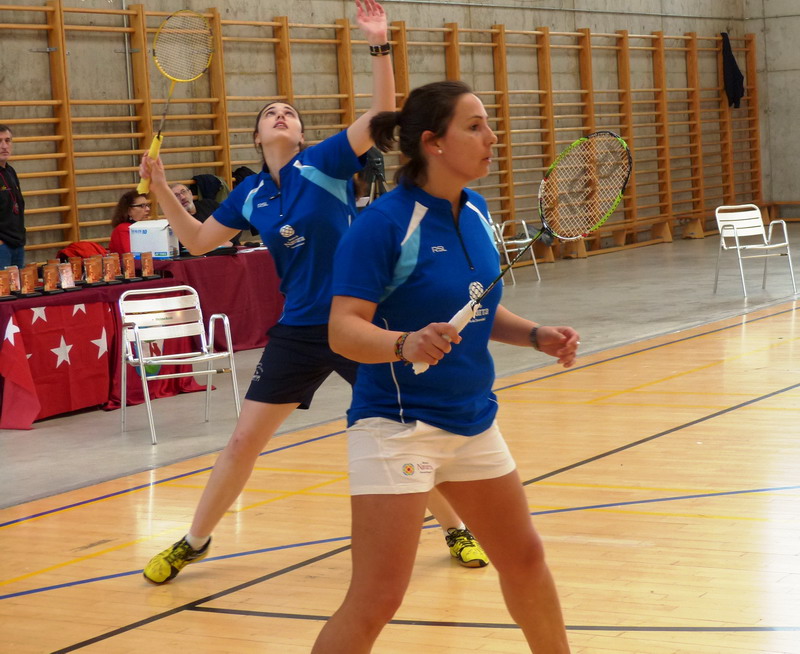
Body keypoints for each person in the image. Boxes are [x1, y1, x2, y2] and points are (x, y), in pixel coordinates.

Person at [138, 0, 487, 586]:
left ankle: (456, 529)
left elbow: (383, 112)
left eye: (289, 113)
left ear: (300, 134)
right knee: (244, 440)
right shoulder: (252, 195)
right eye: (270, 113)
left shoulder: (323, 164)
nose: (280, 116)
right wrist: (160, 189)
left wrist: (378, 43)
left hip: (360, 324)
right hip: (300, 329)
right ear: (256, 135)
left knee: (405, 433)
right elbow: (196, 241)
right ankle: (193, 541)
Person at [311, 80, 578, 653]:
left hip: (472, 420)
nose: (492, 137)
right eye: (475, 126)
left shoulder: (475, 210)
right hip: (399, 427)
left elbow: (476, 305)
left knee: (525, 559)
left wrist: (533, 334)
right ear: (433, 142)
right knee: (377, 596)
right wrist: (404, 343)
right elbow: (343, 329)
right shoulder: (383, 225)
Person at [171, 182, 240, 246]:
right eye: (176, 195)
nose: (182, 197)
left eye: (183, 192)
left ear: (190, 193)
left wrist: (230, 241)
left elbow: (234, 220)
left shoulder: (209, 204)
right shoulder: (176, 223)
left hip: (232, 248)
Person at [0, 125, 26, 268]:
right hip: (2, 247)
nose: (4, 146)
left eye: (7, 140)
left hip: (17, 244)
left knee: (20, 283)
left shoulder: (10, 171)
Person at [107, 190, 151, 255]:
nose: (148, 209)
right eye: (142, 206)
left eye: (147, 205)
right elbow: (133, 256)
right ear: (129, 210)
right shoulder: (122, 229)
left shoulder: (146, 227)